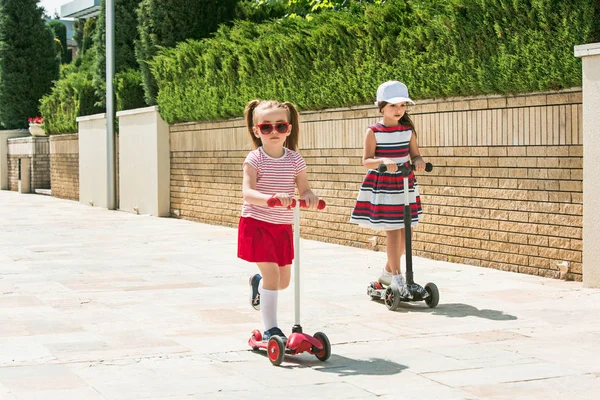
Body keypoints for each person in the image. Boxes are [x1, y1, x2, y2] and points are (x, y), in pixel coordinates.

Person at [238, 99, 320, 342]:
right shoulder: (255, 159)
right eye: (266, 127)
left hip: (283, 226)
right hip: (257, 224)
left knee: (282, 282)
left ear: (289, 129)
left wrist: (310, 197)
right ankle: (270, 329)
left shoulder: (295, 159)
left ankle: (258, 282)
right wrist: (270, 198)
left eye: (280, 126)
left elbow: (304, 189)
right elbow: (247, 193)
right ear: (256, 131)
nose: (274, 132)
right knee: (274, 278)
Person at [350, 81, 427, 298]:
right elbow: (366, 160)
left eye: (402, 105)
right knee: (393, 232)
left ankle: (386, 273)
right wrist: (383, 160)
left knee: (407, 233)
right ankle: (397, 276)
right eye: (393, 105)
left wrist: (419, 161)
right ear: (381, 106)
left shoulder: (408, 130)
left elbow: (415, 154)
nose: (399, 110)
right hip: (385, 185)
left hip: (404, 184)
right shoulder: (374, 131)